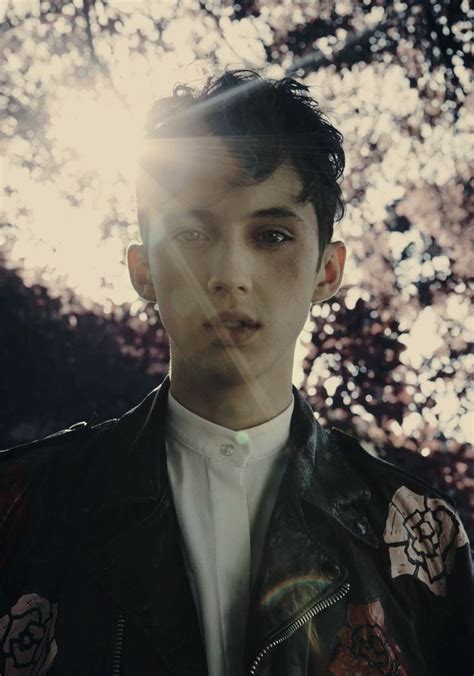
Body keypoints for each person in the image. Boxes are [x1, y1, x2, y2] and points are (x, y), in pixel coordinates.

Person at [0, 69, 472, 676]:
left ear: (327, 271)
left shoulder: (419, 532)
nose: (229, 274)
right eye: (192, 232)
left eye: (271, 234)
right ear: (143, 270)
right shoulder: (22, 504)